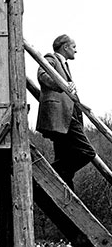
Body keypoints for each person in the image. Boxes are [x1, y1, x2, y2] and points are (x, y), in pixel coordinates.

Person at [36, 34, 95, 190]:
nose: (76, 50)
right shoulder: (51, 59)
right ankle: (51, 173)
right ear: (65, 47)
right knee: (87, 152)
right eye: (74, 47)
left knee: (64, 158)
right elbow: (42, 75)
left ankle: (66, 192)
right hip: (60, 117)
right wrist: (61, 86)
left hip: (66, 118)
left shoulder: (64, 64)